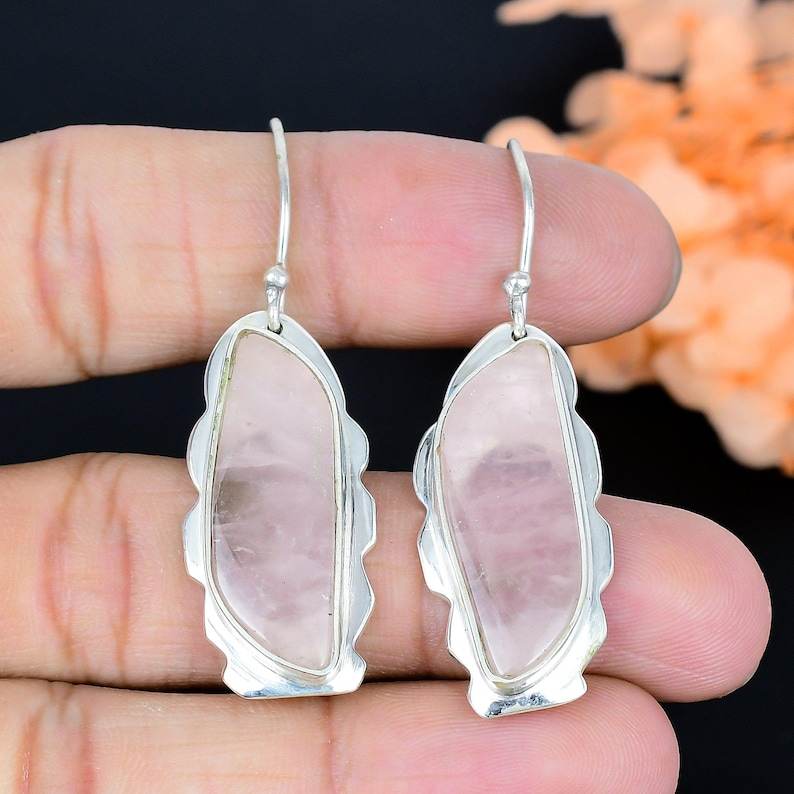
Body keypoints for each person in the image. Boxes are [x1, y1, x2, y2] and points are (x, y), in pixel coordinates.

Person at [0, 125, 770, 792]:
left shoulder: (512, 384)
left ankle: (481, 666)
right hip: (297, 627)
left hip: (506, 633)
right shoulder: (276, 380)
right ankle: (332, 660)